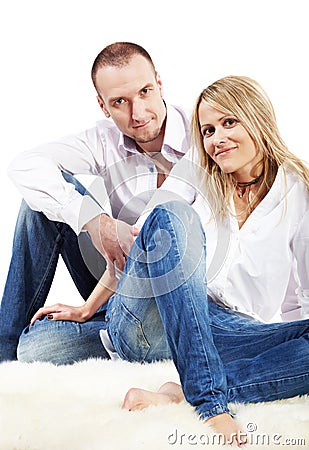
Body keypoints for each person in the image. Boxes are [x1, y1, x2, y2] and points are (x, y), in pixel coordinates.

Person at [38, 75, 307, 446]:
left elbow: (301, 299)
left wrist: (288, 350)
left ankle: (178, 393)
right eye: (209, 129)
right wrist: (90, 306)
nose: (217, 139)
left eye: (230, 122)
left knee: (36, 347)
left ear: (258, 118)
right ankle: (209, 400)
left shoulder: (299, 193)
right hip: (156, 313)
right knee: (176, 215)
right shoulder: (198, 172)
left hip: (227, 332)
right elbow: (146, 235)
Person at [0, 41, 192, 363]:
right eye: (120, 102)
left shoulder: (202, 137)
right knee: (38, 206)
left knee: (37, 349)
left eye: (145, 92)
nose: (138, 113)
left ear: (159, 83)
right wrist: (94, 220)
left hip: (163, 310)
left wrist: (87, 307)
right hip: (114, 284)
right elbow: (26, 165)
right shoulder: (104, 140)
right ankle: (3, 352)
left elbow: (146, 242)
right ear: (104, 106)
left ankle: (118, 339)